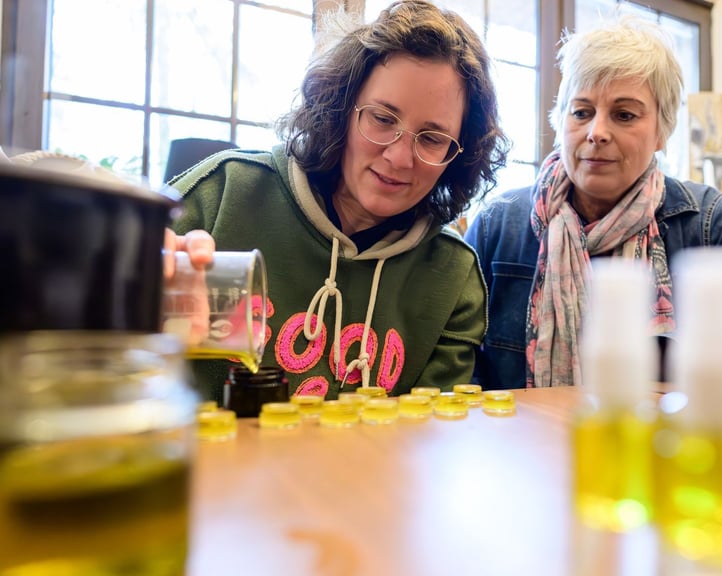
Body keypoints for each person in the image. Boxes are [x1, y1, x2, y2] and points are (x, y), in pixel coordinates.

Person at [167, 0, 509, 402]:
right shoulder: (221, 195)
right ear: (341, 108)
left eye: (432, 138)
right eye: (382, 119)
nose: (399, 158)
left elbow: (432, 443)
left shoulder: (454, 277)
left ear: (459, 156)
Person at [464, 14, 722, 391]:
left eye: (624, 114)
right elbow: (463, 369)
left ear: (662, 131)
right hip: (521, 444)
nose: (597, 132)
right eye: (581, 112)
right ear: (559, 120)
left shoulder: (705, 222)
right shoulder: (499, 225)